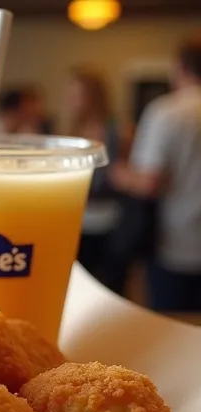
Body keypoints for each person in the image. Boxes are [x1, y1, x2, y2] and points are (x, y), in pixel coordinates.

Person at [111, 37, 201, 311]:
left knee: (173, 328)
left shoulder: (167, 112)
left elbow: (150, 182)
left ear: (180, 67)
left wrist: (118, 173)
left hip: (175, 245)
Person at [66, 67, 130, 293]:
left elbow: (127, 171)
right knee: (80, 284)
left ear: (93, 96)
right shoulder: (71, 132)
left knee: (112, 282)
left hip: (110, 218)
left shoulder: (118, 130)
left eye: (77, 94)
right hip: (79, 218)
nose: (71, 100)